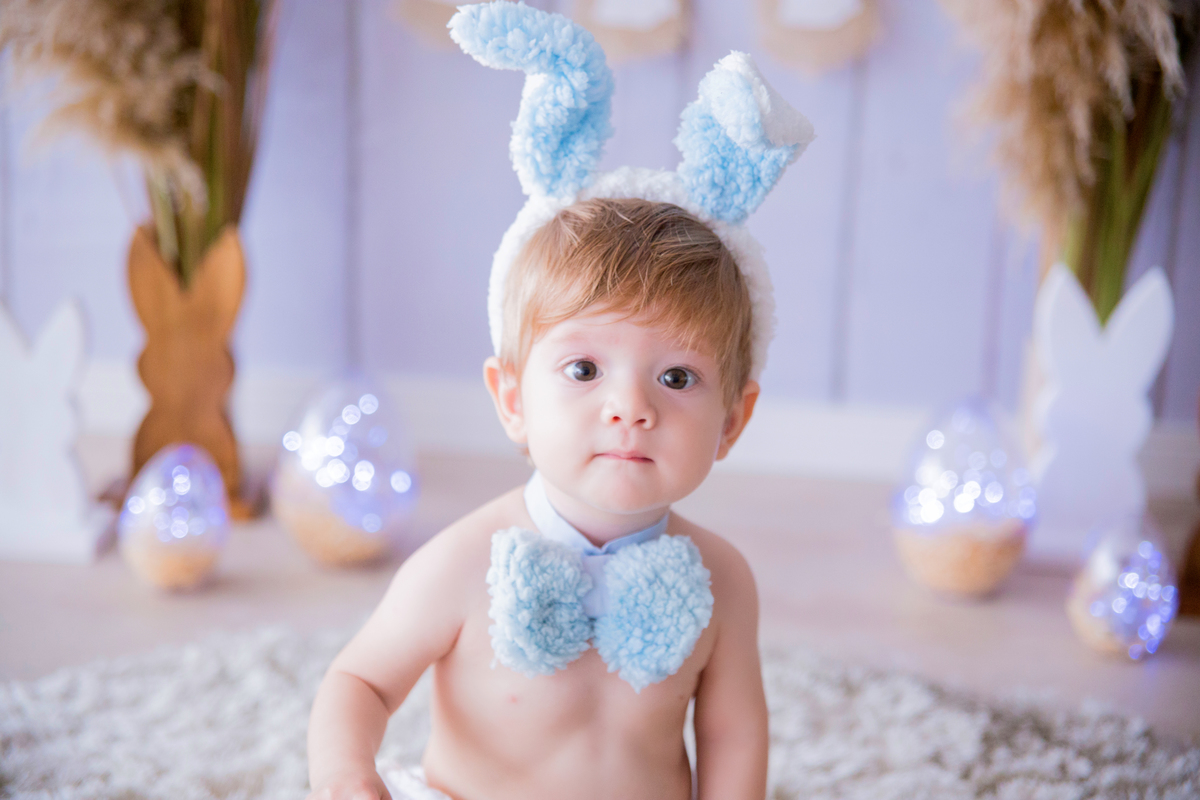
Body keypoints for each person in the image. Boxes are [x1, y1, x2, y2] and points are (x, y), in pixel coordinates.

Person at [305, 4, 813, 799]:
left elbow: (733, 733)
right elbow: (359, 684)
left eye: (675, 378)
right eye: (583, 370)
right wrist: (345, 776)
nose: (631, 407)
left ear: (733, 422)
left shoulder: (723, 579)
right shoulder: (462, 562)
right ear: (511, 399)